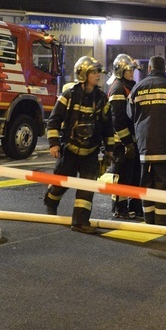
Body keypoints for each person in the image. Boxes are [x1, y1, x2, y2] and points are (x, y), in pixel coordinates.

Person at [43, 56, 115, 234]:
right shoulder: (69, 95)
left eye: (98, 72)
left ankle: (80, 222)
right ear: (83, 74)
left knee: (87, 187)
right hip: (70, 149)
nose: (98, 75)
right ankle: (51, 200)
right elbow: (53, 121)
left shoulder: (101, 98)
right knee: (61, 183)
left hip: (90, 152)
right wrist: (53, 144)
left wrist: (110, 150)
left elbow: (107, 126)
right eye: (94, 72)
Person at [126, 56, 166, 226]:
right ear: (165, 70)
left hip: (144, 144)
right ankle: (162, 218)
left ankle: (149, 217)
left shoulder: (137, 88)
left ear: (149, 69)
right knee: (163, 182)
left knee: (146, 181)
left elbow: (130, 114)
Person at [107, 53, 141, 220]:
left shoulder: (130, 86)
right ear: (120, 71)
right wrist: (127, 143)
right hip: (120, 143)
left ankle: (132, 207)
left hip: (131, 141)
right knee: (121, 176)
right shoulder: (118, 88)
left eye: (132, 70)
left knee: (132, 175)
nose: (131, 72)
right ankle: (119, 208)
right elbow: (117, 120)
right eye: (128, 70)